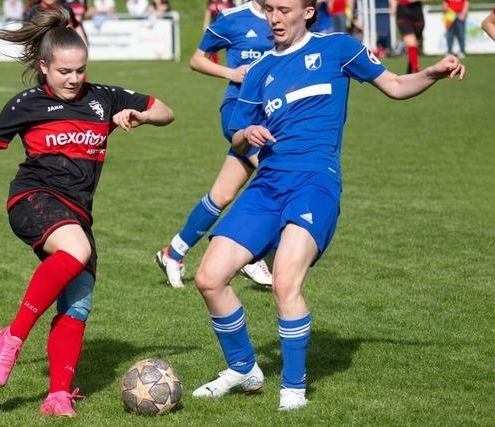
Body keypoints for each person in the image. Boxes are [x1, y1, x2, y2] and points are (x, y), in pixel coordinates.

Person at [191, 0, 464, 411]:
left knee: (285, 282)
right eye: (270, 10)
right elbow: (236, 139)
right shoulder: (261, 69)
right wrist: (248, 131)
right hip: (267, 184)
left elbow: (394, 85)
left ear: (308, 12)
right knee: (209, 277)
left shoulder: (339, 47)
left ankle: (294, 390)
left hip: (315, 183)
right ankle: (244, 367)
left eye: (284, 9)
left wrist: (432, 73)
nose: (275, 18)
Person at [0, 9, 174, 417]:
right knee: (77, 251)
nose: (73, 79)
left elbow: (165, 111)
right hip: (33, 199)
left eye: (80, 70)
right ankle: (11, 337)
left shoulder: (104, 98)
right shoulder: (28, 104)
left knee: (78, 302)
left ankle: (58, 395)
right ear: (44, 66)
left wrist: (142, 115)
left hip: (77, 213)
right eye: (64, 71)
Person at [155, 0, 274, 289]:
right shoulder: (232, 18)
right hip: (239, 114)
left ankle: (174, 252)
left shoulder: (286, 15)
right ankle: (251, 252)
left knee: (222, 194)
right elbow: (197, 59)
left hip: (271, 115)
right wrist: (231, 73)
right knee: (277, 178)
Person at [390, 0, 425, 73]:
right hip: (403, 14)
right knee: (411, 43)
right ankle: (416, 70)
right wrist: (393, 6)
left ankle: (409, 72)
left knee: (415, 46)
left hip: (417, 15)